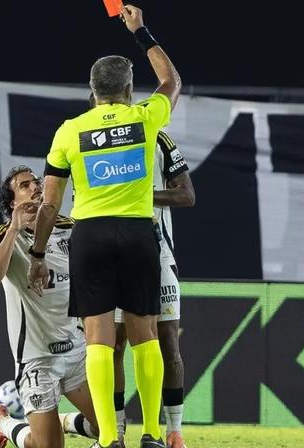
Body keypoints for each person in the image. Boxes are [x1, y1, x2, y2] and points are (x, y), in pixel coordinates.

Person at [27, 5, 182, 448]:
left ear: (92, 92)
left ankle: (111, 437)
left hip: (90, 237)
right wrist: (141, 31)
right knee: (144, 334)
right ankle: (152, 434)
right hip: (137, 234)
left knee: (98, 338)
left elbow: (50, 204)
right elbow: (172, 83)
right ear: (130, 90)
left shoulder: (68, 131)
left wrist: (38, 256)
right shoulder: (144, 118)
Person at [0, 166, 98, 448]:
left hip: (75, 350)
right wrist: (13, 228)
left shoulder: (67, 226)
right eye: (24, 185)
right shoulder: (6, 234)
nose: (35, 187)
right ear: (13, 203)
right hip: (37, 359)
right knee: (47, 446)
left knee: (111, 428)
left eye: (36, 182)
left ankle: (60, 422)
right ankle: (4, 424)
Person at [111, 129, 195, 448]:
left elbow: (187, 195)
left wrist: (141, 197)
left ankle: (173, 431)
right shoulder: (85, 137)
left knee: (167, 340)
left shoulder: (156, 138)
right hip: (111, 254)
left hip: (159, 253)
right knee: (113, 345)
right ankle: (116, 433)